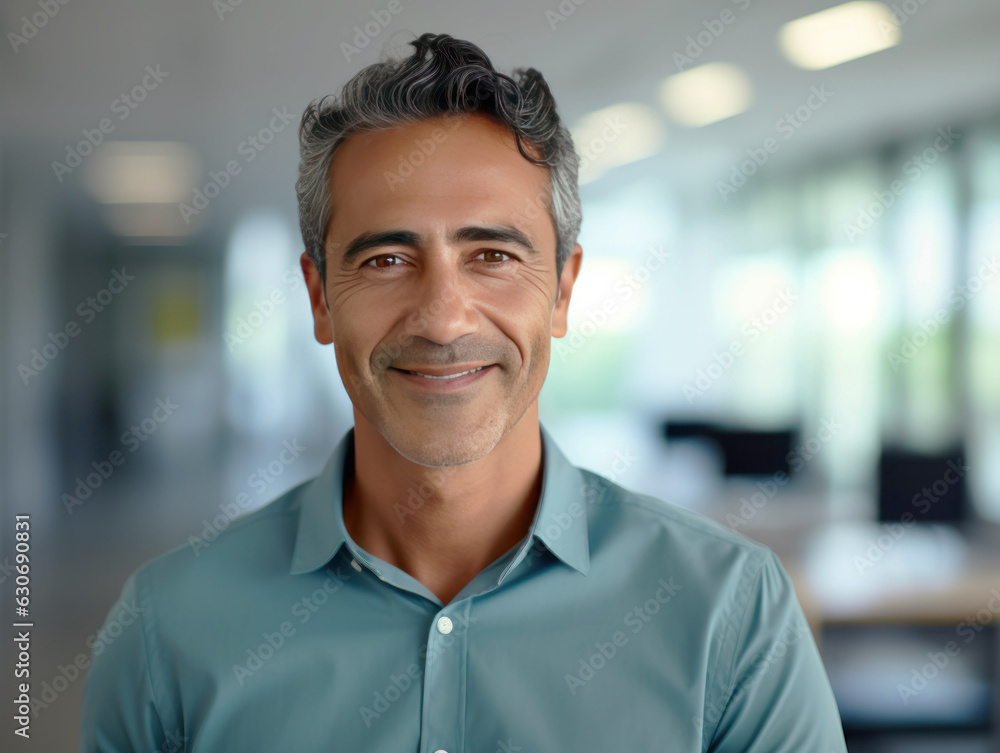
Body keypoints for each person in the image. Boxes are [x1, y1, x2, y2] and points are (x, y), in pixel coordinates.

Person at [79, 32, 847, 752]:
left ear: (562, 290)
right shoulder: (167, 629)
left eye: (492, 255)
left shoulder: (734, 616)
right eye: (385, 259)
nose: (444, 319)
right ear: (318, 297)